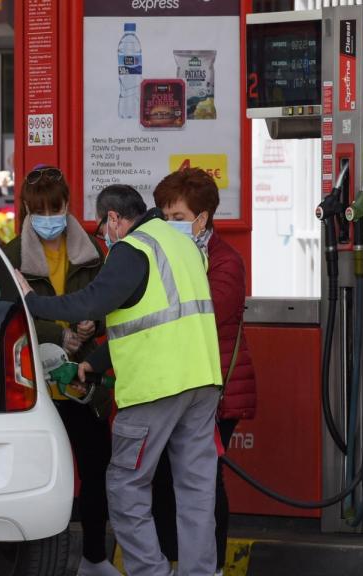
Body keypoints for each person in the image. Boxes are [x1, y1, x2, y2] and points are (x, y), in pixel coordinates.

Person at [15, 184, 223, 576]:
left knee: (127, 488)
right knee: (196, 491)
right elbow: (153, 316)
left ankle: (150, 572)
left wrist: (31, 300)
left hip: (155, 387)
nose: (103, 236)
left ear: (113, 219)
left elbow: (92, 302)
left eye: (101, 227)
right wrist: (92, 363)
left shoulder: (134, 248)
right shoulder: (183, 245)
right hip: (202, 382)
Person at [3, 165, 119, 576]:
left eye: (55, 207)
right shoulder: (13, 253)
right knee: (35, 475)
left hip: (83, 381)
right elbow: (12, 313)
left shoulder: (93, 249)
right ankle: (24, 558)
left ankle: (94, 557)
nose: (48, 217)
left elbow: (114, 302)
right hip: (35, 385)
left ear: (68, 205)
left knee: (95, 468)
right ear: (27, 210)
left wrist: (93, 323)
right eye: (39, 210)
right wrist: (59, 333)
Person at [151, 168, 257, 576]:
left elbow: (205, 315)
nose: (169, 224)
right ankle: (173, 562)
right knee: (164, 478)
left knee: (205, 481)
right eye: (164, 215)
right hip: (176, 383)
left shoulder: (225, 260)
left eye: (178, 217)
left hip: (218, 389)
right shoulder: (164, 253)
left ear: (202, 217)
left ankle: (208, 565)